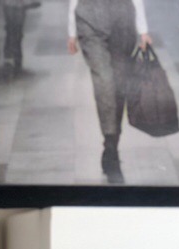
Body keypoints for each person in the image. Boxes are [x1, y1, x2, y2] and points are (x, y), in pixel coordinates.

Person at [67, 0, 152, 184]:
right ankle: (111, 150)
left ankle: (111, 144)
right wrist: (72, 31)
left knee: (119, 85)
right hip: (89, 18)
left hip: (122, 19)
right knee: (105, 81)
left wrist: (143, 29)